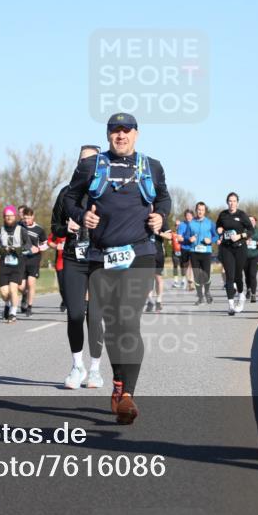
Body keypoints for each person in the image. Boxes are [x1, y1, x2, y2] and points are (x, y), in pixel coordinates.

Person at [64, 113, 170, 424]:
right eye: (115, 131)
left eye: (126, 130)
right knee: (113, 324)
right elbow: (69, 198)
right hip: (101, 256)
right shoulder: (91, 166)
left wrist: (160, 216)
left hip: (140, 253)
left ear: (136, 134)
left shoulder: (151, 166)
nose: (120, 135)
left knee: (128, 320)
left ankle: (128, 395)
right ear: (108, 134)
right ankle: (119, 383)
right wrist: (83, 215)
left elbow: (163, 198)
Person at [51, 145, 106, 389]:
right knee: (74, 314)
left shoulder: (107, 192)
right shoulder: (66, 194)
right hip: (74, 257)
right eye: (82, 161)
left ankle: (95, 369)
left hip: (100, 259)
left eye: (92, 161)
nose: (86, 165)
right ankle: (77, 366)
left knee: (94, 316)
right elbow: (54, 227)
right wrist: (67, 229)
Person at [216, 193, 254, 315]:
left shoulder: (242, 215)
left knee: (238, 276)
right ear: (227, 202)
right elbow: (218, 227)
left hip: (240, 248)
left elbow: (251, 230)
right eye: (230, 201)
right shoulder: (223, 214)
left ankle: (241, 296)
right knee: (229, 276)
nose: (232, 203)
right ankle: (231, 305)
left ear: (237, 202)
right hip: (227, 248)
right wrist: (219, 230)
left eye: (234, 201)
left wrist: (240, 235)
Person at [0, 205, 30, 323]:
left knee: (13, 288)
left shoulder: (22, 230)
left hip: (17, 264)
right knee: (4, 293)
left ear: (15, 216)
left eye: (11, 216)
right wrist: (1, 250)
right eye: (7, 216)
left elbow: (28, 245)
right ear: (4, 217)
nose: (9, 218)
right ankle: (7, 304)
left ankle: (13, 313)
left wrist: (18, 249)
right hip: (4, 264)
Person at [186, 201, 218, 305]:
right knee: (196, 276)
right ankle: (200, 297)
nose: (200, 212)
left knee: (206, 275)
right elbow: (186, 236)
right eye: (199, 210)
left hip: (206, 252)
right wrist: (189, 239)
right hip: (194, 252)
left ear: (205, 211)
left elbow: (216, 236)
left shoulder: (210, 223)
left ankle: (207, 292)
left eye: (202, 210)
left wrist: (211, 240)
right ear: (196, 210)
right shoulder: (191, 223)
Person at [19, 206, 48, 317]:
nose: (26, 220)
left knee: (31, 283)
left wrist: (39, 248)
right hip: (21, 258)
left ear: (33, 217)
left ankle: (29, 307)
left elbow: (46, 243)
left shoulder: (39, 230)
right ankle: (25, 295)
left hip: (34, 259)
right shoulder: (19, 227)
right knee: (20, 285)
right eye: (24, 218)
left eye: (28, 218)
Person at [244, 215, 258, 303]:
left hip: (256, 255)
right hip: (245, 256)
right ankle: (248, 289)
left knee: (252, 274)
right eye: (249, 220)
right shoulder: (243, 231)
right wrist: (244, 242)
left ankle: (253, 294)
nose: (251, 221)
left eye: (252, 220)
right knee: (247, 275)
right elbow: (238, 240)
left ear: (255, 221)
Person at [176, 209, 196, 291]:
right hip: (184, 247)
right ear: (185, 216)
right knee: (186, 266)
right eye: (187, 215)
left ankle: (192, 282)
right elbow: (179, 238)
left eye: (190, 215)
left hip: (194, 247)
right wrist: (187, 239)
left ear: (192, 216)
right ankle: (189, 282)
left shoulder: (196, 224)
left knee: (193, 264)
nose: (188, 217)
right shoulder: (182, 225)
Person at [47, 230, 66, 310]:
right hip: (60, 261)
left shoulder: (78, 227)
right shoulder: (59, 229)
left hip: (74, 261)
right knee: (62, 286)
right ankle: (65, 300)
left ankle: (72, 301)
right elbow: (49, 241)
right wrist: (55, 246)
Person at [170, 219, 183, 288]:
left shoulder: (183, 233)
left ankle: (183, 281)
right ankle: (175, 282)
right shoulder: (173, 233)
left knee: (182, 266)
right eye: (176, 225)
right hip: (174, 252)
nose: (177, 226)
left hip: (182, 251)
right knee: (175, 267)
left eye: (179, 225)